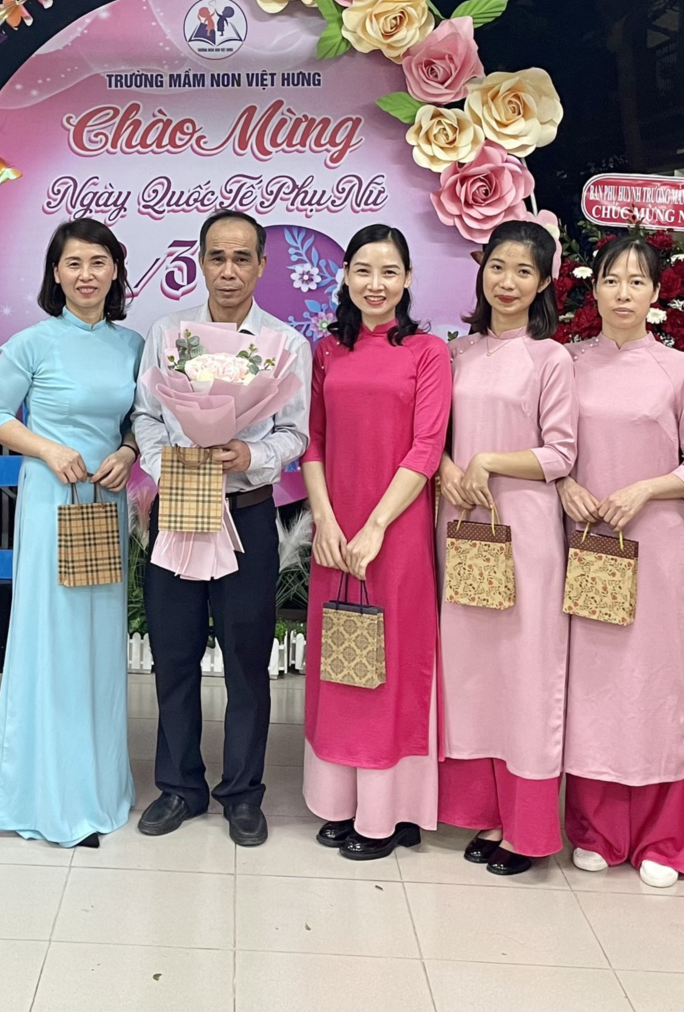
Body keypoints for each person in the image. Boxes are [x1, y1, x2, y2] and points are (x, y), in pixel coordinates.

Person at [130, 210, 311, 849]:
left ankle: (242, 793)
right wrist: (174, 467)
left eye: (241, 258)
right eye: (216, 257)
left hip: (248, 512)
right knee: (174, 653)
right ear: (200, 263)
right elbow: (146, 417)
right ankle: (179, 786)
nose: (228, 270)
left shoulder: (285, 344)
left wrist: (248, 455)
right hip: (179, 509)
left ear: (261, 265)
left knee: (246, 660)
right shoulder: (168, 334)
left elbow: (295, 434)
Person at [557, 232, 684, 889]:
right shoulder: (567, 363)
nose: (622, 293)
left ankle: (664, 836)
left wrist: (647, 489)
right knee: (592, 684)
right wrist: (563, 483)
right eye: (611, 279)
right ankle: (595, 829)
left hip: (653, 545)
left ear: (656, 293)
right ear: (593, 289)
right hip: (585, 542)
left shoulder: (680, 371)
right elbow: (545, 444)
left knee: (655, 682)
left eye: (636, 281)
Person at [0, 218, 144, 847]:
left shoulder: (133, 346)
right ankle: (47, 794)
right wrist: (47, 449)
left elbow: (140, 420)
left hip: (105, 501)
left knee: (99, 644)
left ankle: (98, 787)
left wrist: (128, 453)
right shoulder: (31, 344)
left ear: (115, 271)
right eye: (73, 263)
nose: (86, 275)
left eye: (98, 262)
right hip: (52, 500)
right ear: (55, 272)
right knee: (53, 638)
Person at [301, 224, 451, 861]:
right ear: (345, 277)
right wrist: (326, 522)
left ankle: (391, 812)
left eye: (389, 272)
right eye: (363, 270)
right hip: (336, 531)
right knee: (340, 660)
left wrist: (376, 526)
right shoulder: (326, 351)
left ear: (408, 279)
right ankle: (340, 802)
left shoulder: (427, 352)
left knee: (393, 663)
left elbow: (427, 447)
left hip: (397, 530)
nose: (375, 283)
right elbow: (312, 442)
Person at [434, 220, 577, 876]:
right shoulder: (458, 351)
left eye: (524, 271)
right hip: (461, 525)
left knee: (526, 673)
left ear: (544, 282)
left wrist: (490, 460)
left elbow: (561, 453)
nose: (508, 281)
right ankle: (483, 811)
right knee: (471, 671)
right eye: (498, 267)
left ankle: (527, 826)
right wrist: (444, 467)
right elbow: (434, 433)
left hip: (524, 532)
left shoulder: (552, 358)